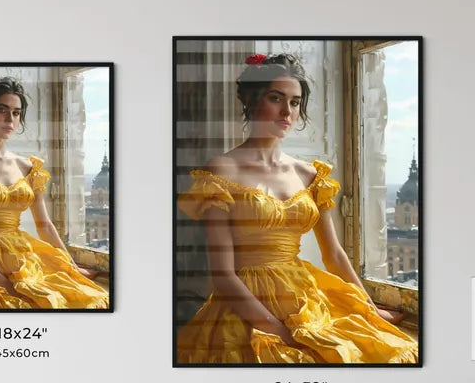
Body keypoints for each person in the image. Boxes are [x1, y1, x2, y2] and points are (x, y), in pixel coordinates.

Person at [177, 53, 417, 364]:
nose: (287, 111)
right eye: (276, 98)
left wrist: (370, 309)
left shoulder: (309, 174)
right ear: (251, 101)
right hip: (247, 302)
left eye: (294, 102)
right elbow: (223, 274)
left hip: (306, 295)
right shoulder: (222, 171)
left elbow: (334, 254)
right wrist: (277, 330)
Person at [0, 75, 108, 309]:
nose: (10, 120)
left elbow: (44, 225)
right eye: (2, 110)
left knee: (88, 301)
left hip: (25, 256)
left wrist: (72, 267)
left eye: (16, 112)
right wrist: (2, 283)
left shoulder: (27, 166)